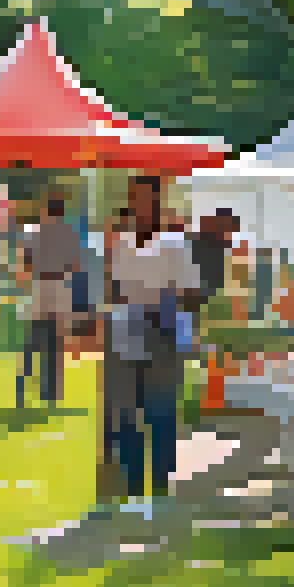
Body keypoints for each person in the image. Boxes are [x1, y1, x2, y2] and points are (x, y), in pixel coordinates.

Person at [103, 176, 203, 506]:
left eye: (147, 199)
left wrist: (166, 301)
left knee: (160, 411)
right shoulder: (121, 243)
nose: (141, 206)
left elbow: (192, 292)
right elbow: (115, 288)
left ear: (158, 204)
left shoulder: (174, 243)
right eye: (136, 199)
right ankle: (132, 485)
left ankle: (159, 484)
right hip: (127, 327)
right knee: (127, 411)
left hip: (162, 329)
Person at [19, 194, 78, 410]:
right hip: (60, 285)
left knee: (37, 336)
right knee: (56, 341)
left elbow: (26, 261)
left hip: (40, 285)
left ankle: (27, 381)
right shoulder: (68, 233)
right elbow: (74, 264)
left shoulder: (35, 232)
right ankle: (52, 391)